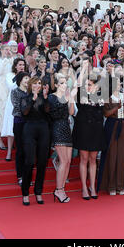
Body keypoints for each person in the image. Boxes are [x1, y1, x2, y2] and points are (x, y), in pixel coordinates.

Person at [73, 65, 105, 200]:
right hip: (83, 130)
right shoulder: (80, 94)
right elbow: (77, 86)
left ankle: (92, 186)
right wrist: (84, 69)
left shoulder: (100, 96)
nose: (87, 86)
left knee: (93, 159)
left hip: (96, 130)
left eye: (90, 84)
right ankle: (84, 188)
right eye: (86, 84)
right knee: (84, 159)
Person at [98, 77, 124, 196]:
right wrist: (116, 107)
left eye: (120, 83)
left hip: (123, 126)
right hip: (112, 127)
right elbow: (106, 114)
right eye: (117, 83)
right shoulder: (107, 98)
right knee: (111, 155)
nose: (119, 85)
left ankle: (120, 185)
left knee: (122, 155)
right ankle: (111, 185)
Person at [21, 77, 51, 206]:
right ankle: (25, 193)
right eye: (36, 83)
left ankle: (38, 191)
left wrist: (44, 98)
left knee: (43, 162)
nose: (38, 85)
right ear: (31, 85)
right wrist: (33, 99)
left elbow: (47, 111)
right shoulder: (25, 98)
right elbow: (25, 112)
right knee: (29, 161)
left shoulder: (44, 97)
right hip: (29, 129)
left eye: (40, 83)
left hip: (43, 129)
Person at [48, 74, 75, 203]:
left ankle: (62, 188)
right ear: (57, 85)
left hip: (66, 128)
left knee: (68, 161)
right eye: (63, 83)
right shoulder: (52, 97)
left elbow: (70, 113)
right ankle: (58, 190)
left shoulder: (66, 97)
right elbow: (55, 114)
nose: (65, 85)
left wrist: (71, 100)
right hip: (57, 128)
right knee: (63, 161)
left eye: (66, 83)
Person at [2, 57, 27, 161]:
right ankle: (8, 153)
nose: (22, 67)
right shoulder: (10, 75)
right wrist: (19, 77)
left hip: (24, 101)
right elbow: (11, 86)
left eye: (23, 65)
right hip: (12, 102)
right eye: (20, 65)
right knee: (11, 126)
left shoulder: (27, 76)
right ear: (15, 66)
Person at [10, 72, 31, 187]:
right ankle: (20, 176)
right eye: (25, 78)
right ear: (20, 80)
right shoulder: (15, 92)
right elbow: (17, 107)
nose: (27, 80)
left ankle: (27, 175)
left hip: (29, 123)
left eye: (28, 78)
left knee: (29, 150)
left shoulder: (30, 92)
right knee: (20, 150)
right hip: (19, 122)